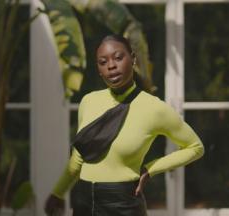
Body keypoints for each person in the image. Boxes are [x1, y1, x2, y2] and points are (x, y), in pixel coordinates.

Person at [44, 34, 204, 216]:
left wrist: (150, 169)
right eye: (103, 62)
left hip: (123, 204)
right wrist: (57, 193)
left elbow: (195, 147)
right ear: (99, 69)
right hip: (83, 203)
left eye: (118, 58)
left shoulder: (154, 108)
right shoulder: (88, 102)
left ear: (133, 59)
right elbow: (78, 159)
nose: (111, 66)